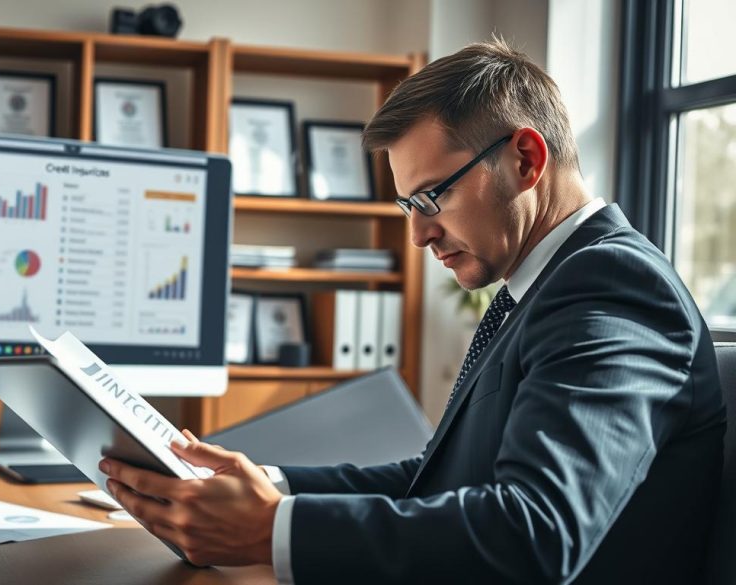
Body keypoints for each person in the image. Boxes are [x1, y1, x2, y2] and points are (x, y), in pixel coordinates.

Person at [99, 38, 726, 584]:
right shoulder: (545, 286)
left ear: (526, 160)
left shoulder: (613, 285)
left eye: (432, 195)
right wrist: (270, 487)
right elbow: (439, 479)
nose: (420, 235)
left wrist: (272, 531)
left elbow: (536, 531)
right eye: (408, 206)